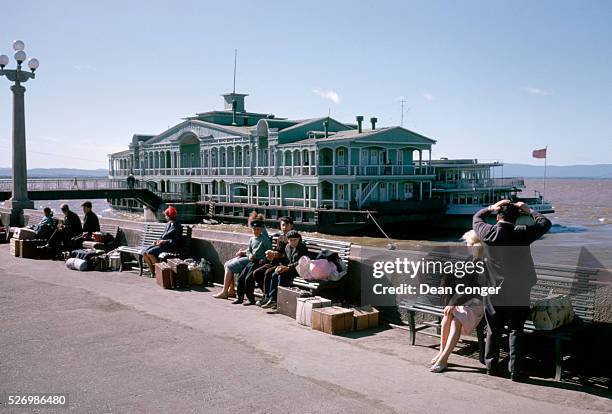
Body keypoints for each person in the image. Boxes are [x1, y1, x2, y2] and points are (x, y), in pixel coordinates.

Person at [472, 199, 552, 381]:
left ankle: (491, 367)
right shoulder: (522, 233)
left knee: (493, 328)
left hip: (493, 291)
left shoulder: (487, 232)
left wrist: (490, 208)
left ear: (498, 216)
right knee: (516, 329)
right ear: (516, 219)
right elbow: (545, 223)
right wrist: (529, 209)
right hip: (519, 290)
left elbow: (477, 217)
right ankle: (516, 371)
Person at [430, 230, 485, 373]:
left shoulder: (482, 263)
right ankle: (442, 353)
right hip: (465, 301)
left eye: (468, 242)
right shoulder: (470, 259)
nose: (466, 245)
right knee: (446, 318)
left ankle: (444, 358)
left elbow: (472, 290)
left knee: (456, 321)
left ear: (474, 245)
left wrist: (454, 303)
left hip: (476, 303)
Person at [214, 219, 271, 300]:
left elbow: (266, 251)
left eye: (257, 229)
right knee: (227, 264)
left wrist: (262, 259)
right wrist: (245, 253)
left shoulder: (263, 235)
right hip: (250, 257)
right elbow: (251, 249)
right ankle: (231, 290)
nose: (255, 231)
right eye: (254, 229)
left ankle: (225, 291)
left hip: (258, 260)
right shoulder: (253, 238)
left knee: (231, 267)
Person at [261, 230, 309, 310]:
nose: (293, 242)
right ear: (288, 240)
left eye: (295, 240)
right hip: (289, 268)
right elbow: (285, 260)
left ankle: (281, 301)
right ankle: (272, 299)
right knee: (274, 274)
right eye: (290, 240)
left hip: (299, 270)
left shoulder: (302, 248)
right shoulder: (287, 247)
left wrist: (288, 268)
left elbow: (301, 262)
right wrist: (280, 266)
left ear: (298, 239)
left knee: (282, 276)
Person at [253, 216, 294, 306]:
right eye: (282, 225)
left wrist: (277, 255)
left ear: (291, 226)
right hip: (276, 262)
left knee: (268, 273)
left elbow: (289, 255)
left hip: (285, 264)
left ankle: (271, 298)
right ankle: (266, 295)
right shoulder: (281, 237)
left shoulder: (294, 238)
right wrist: (272, 253)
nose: (284, 227)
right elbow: (278, 251)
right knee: (257, 272)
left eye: (286, 225)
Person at [142, 206, 183, 273]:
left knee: (150, 252)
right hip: (163, 245)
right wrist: (157, 240)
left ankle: (158, 270)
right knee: (144, 252)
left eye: (166, 215)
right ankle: (152, 270)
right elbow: (163, 236)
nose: (165, 217)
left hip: (170, 246)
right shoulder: (169, 224)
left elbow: (176, 241)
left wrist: (164, 241)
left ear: (169, 216)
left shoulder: (177, 226)